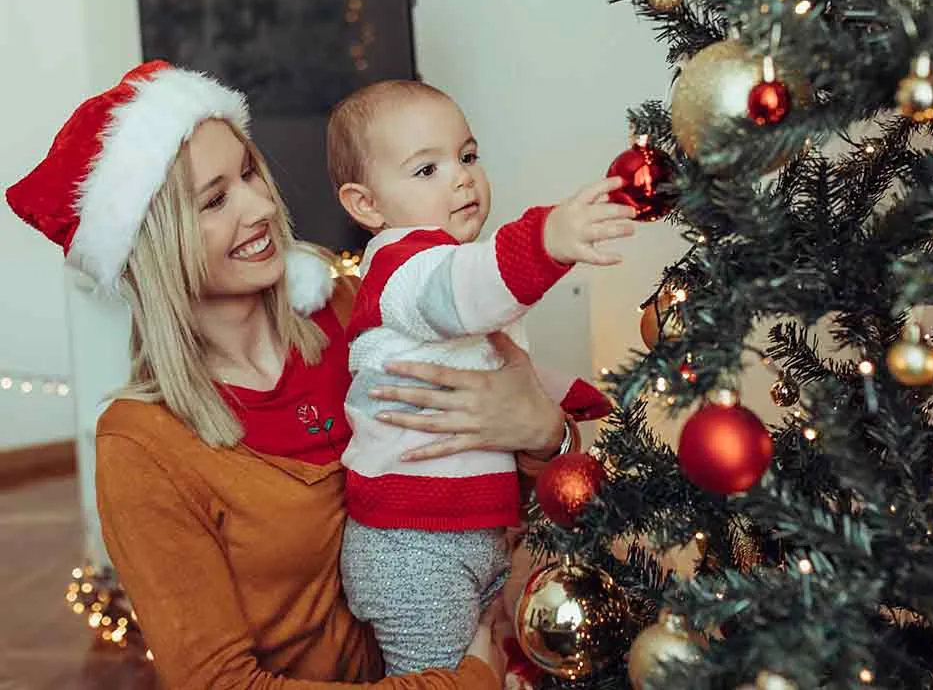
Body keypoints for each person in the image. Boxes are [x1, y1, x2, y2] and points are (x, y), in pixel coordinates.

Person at [5, 60, 584, 690]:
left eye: (249, 172)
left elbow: (502, 486)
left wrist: (545, 436)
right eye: (215, 200)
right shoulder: (143, 446)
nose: (260, 206)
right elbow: (221, 685)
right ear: (155, 244)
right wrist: (465, 681)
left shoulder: (359, 312)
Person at [324, 80, 634, 675]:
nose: (462, 179)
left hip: (472, 529)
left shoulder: (451, 268)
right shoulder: (403, 268)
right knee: (442, 680)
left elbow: (495, 361)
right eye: (427, 170)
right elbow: (467, 288)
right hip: (411, 542)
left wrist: (571, 396)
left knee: (495, 657)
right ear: (366, 205)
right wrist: (547, 239)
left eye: (467, 156)